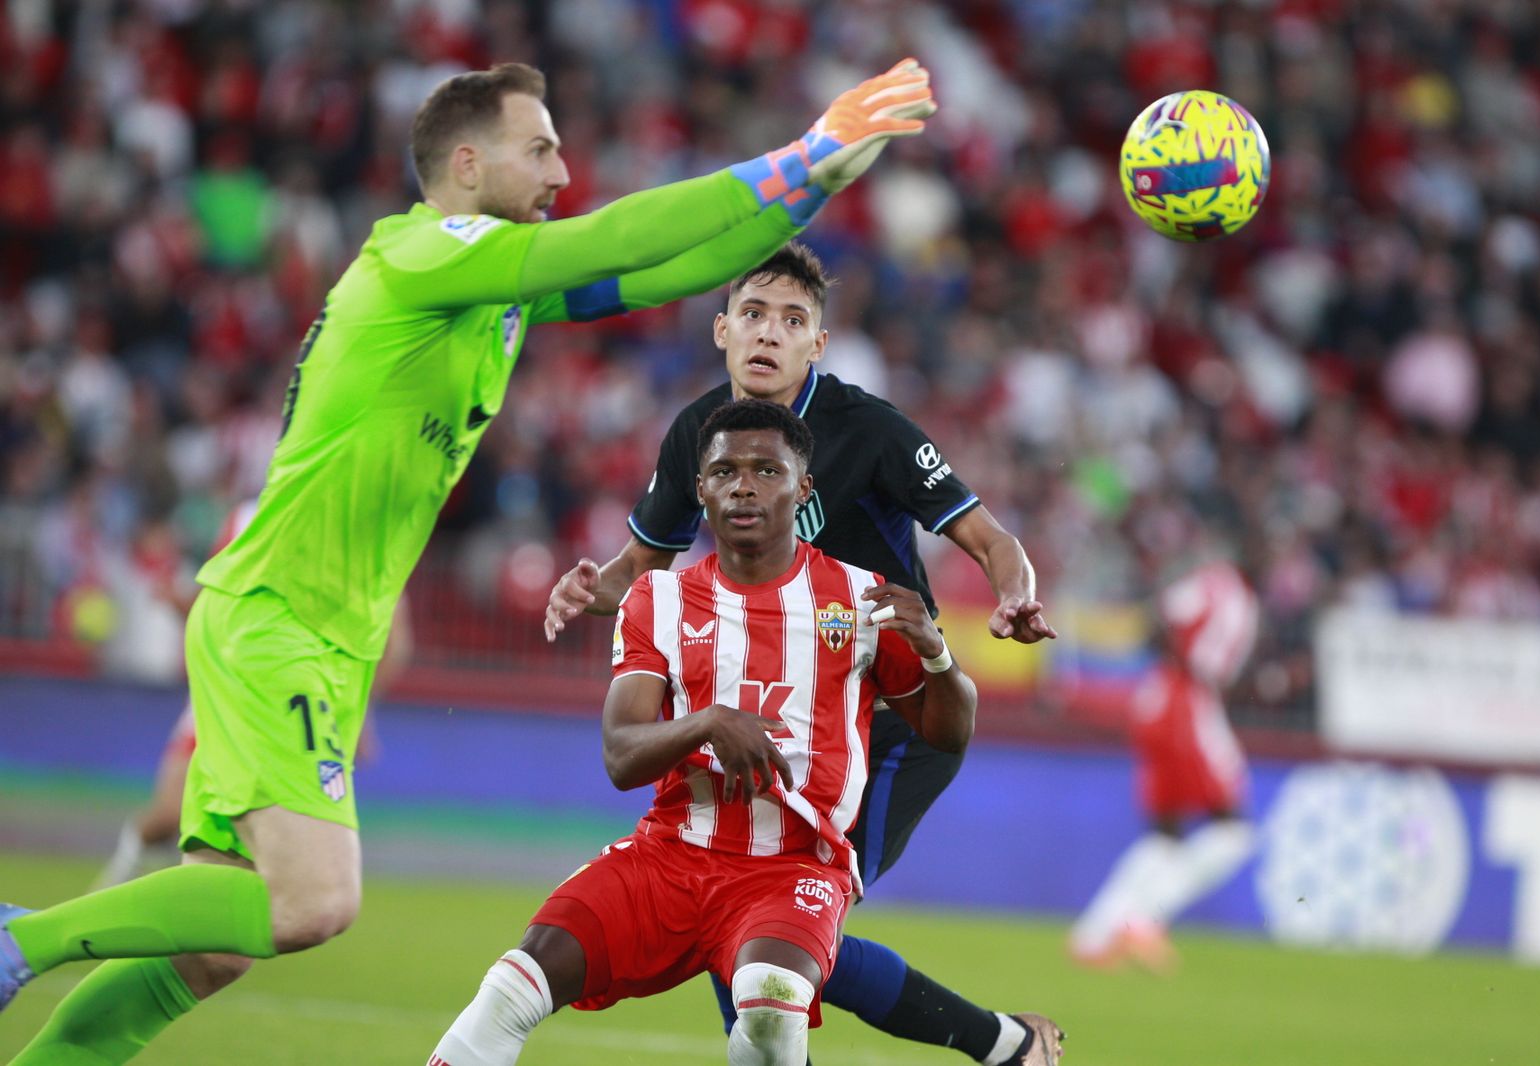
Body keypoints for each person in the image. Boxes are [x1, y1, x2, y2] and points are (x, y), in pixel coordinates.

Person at [0, 57, 938, 1060]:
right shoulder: (424, 254)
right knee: (313, 898)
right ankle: (23, 937)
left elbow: (665, 270)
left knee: (218, 939)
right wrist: (796, 151)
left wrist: (816, 188)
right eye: (537, 148)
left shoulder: (490, 292)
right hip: (281, 613)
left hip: (325, 631)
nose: (561, 169)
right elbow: (610, 235)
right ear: (463, 162)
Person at [544, 243, 1063, 1064]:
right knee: (759, 919)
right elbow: (645, 559)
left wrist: (1013, 593)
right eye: (753, 314)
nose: (768, 335)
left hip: (895, 722)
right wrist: (594, 587)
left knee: (778, 915)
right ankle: (1006, 1047)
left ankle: (1000, 1046)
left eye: (792, 322)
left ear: (817, 345)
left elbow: (989, 535)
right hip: (786, 722)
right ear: (721, 330)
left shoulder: (872, 430)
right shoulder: (700, 435)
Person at [430, 399, 979, 1066]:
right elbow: (620, 755)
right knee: (510, 987)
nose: (743, 486)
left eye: (766, 470)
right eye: (724, 471)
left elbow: (948, 733)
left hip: (792, 867)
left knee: (772, 1006)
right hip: (669, 857)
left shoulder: (863, 601)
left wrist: (936, 654)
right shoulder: (654, 600)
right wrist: (707, 723)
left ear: (803, 488)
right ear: (700, 489)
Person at [93, 500, 412, 890]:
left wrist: (360, 710)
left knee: (271, 846)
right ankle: (124, 875)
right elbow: (216, 605)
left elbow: (396, 638)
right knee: (171, 814)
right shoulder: (250, 518)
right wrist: (182, 605)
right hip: (229, 688)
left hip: (298, 701)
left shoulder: (359, 528)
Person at [1069, 561, 1260, 972]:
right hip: (1188, 705)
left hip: (1156, 696)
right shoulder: (1232, 594)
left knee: (1164, 835)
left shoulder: (1204, 582)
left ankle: (1094, 934)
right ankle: (1143, 919)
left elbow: (1160, 613)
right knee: (1234, 828)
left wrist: (1168, 655)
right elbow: (1210, 664)